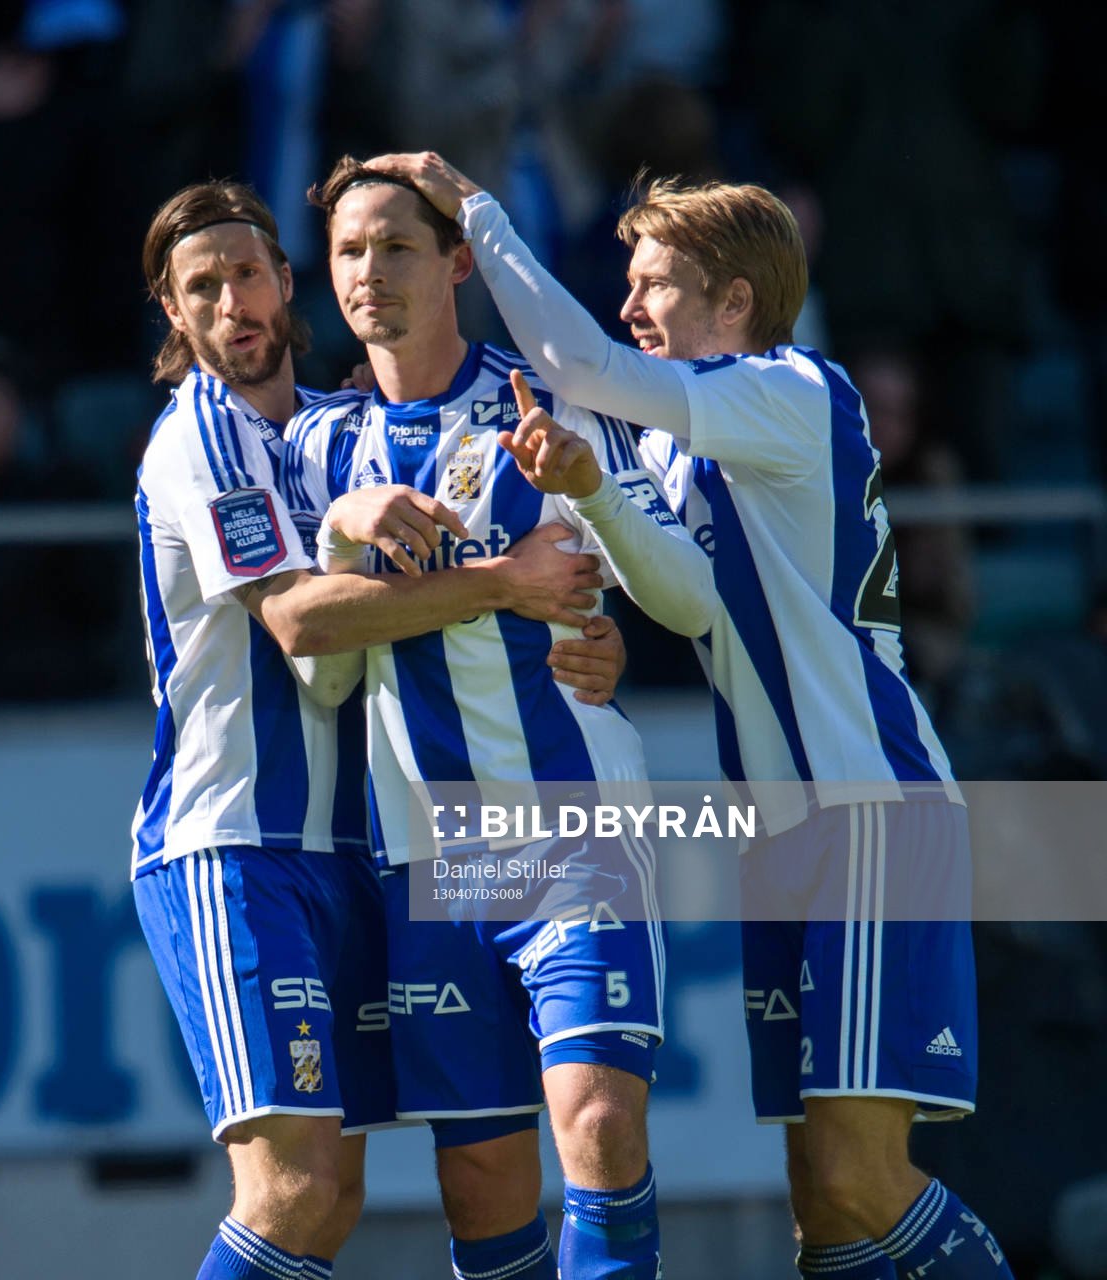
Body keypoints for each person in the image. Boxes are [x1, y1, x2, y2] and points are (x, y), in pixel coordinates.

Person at [370, 149, 1013, 1280]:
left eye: (654, 282)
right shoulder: (681, 444)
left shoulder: (794, 389)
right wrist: (586, 486)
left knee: (863, 1175)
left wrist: (473, 206)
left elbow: (576, 358)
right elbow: (685, 600)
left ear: (734, 301)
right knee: (821, 1198)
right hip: (786, 833)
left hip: (867, 806)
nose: (630, 304)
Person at [134, 179, 628, 1280]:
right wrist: (506, 583)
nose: (231, 303)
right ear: (172, 315)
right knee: (296, 1187)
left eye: (247, 273)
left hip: (362, 851)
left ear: (285, 282)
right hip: (236, 847)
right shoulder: (202, 437)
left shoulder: (324, 431)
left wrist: (590, 638)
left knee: (355, 1187)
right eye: (199, 287)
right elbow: (305, 621)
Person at [284, 156, 719, 1280]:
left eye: (395, 246)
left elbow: (659, 574)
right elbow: (319, 673)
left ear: (458, 260)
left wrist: (608, 617)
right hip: (431, 860)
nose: (368, 272)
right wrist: (343, 531)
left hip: (577, 827)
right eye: (347, 250)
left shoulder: (543, 401)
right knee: (482, 1189)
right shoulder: (321, 449)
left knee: (601, 1128)